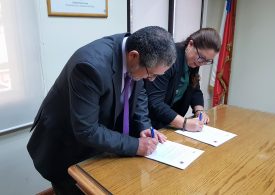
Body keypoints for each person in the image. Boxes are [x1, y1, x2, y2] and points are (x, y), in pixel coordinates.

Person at [27, 26, 176, 194]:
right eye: (151, 75)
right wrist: (135, 145)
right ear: (134, 56)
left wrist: (144, 126)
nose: (151, 80)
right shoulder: (89, 66)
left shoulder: (138, 57)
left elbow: (139, 91)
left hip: (97, 143)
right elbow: (87, 130)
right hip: (65, 145)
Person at [145, 28, 221, 132]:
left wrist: (199, 111)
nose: (201, 63)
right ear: (190, 44)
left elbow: (194, 89)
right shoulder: (169, 59)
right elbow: (155, 102)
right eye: (201, 58)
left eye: (207, 61)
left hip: (171, 123)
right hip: (151, 123)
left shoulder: (193, 62)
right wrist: (185, 123)